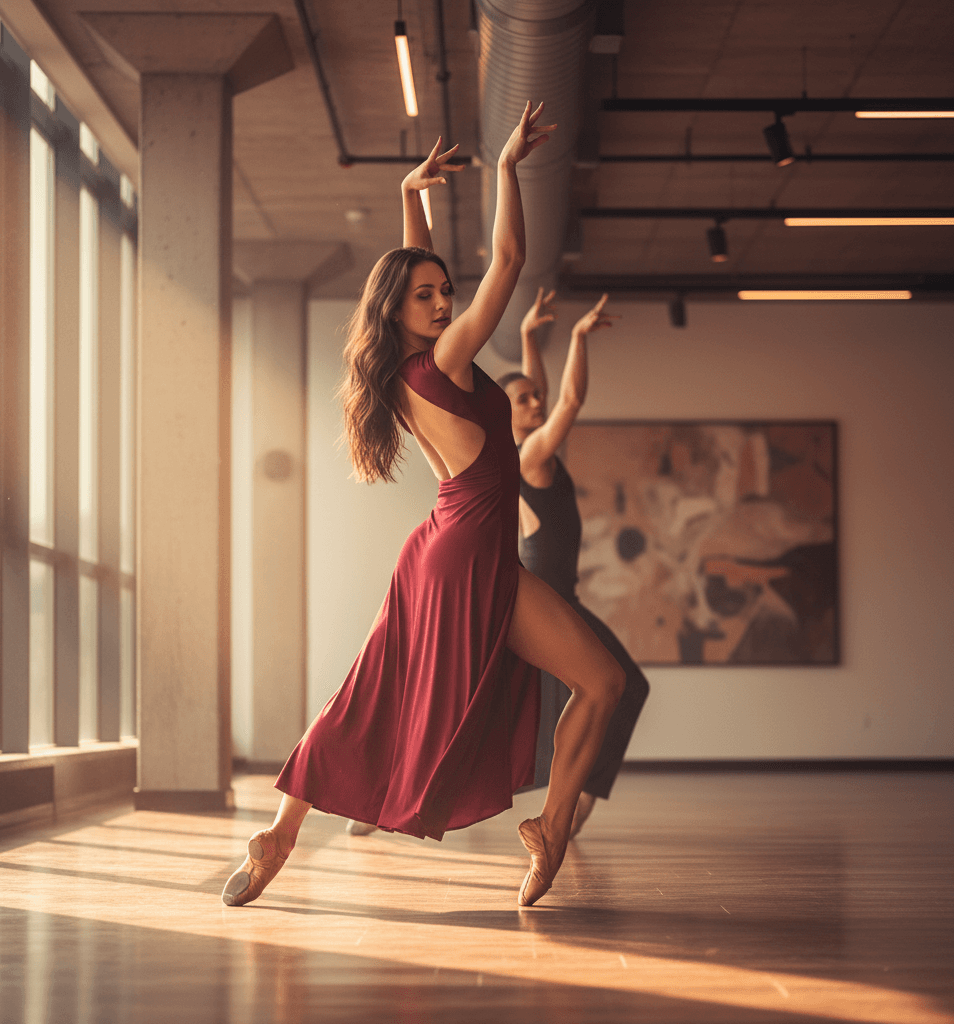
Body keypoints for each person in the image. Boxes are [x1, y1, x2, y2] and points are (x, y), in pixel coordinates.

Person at [222, 103, 625, 910]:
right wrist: (505, 168)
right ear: (400, 312)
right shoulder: (441, 363)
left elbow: (414, 269)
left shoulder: (405, 372)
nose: (445, 303)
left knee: (386, 694)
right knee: (400, 697)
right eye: (429, 296)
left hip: (458, 551)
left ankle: (282, 835)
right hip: (463, 556)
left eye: (446, 292)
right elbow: (507, 261)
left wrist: (412, 195)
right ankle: (540, 827)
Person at [498, 288, 650, 837]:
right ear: (507, 416)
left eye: (534, 399)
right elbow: (568, 403)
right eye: (524, 403)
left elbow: (537, 392)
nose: (535, 404)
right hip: (551, 600)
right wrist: (579, 338)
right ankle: (575, 805)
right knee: (621, 685)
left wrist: (526, 339)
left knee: (620, 688)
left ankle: (575, 802)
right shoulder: (530, 457)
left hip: (562, 596)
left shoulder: (529, 450)